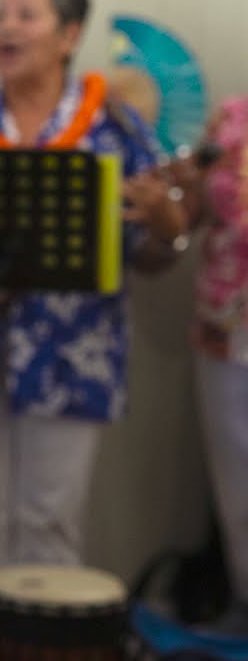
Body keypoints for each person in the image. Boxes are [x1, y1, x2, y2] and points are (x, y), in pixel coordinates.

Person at [0, 0, 189, 658]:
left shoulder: (114, 129)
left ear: (68, 35)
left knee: (49, 524)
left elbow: (152, 254)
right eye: (1, 14)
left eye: (26, 15)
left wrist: (165, 226)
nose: (6, 27)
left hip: (72, 359)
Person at [184, 96, 248, 637]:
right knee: (236, 485)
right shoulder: (230, 120)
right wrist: (184, 185)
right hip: (226, 327)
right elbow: (192, 212)